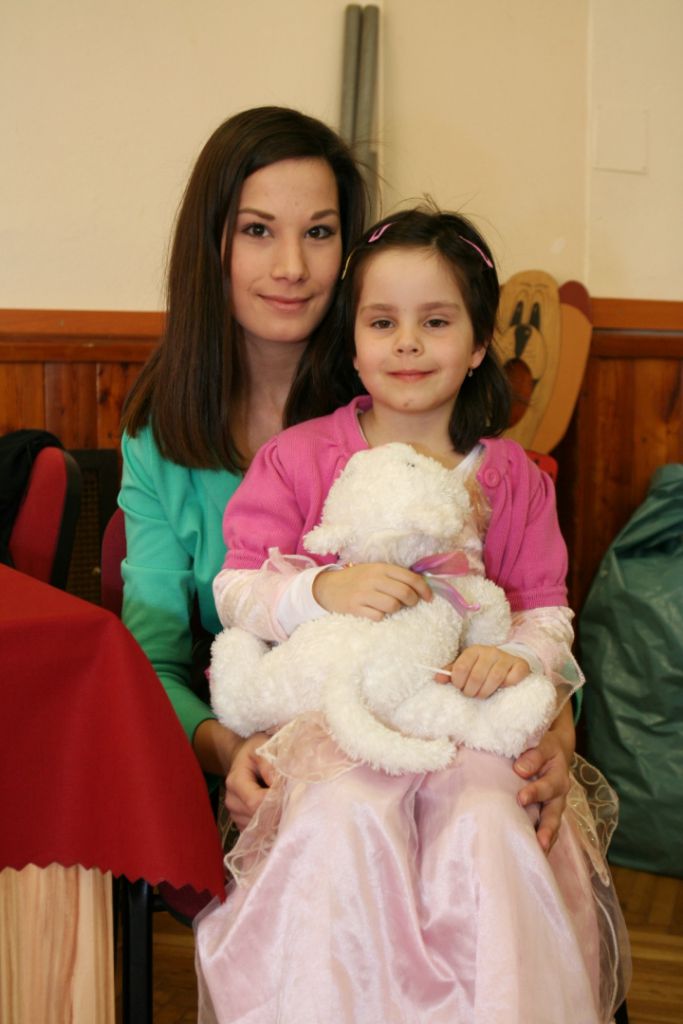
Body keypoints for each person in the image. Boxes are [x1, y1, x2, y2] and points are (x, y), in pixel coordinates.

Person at [195, 208, 630, 1023]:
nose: (406, 344)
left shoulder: (512, 479)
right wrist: (319, 591)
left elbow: (545, 611)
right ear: (352, 343)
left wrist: (518, 659)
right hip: (340, 723)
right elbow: (235, 589)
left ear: (477, 344)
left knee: (488, 821)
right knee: (342, 818)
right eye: (381, 322)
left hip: (463, 720)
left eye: (434, 322)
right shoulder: (296, 459)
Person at [118, 105, 572, 849]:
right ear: (212, 245)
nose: (291, 267)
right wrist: (232, 751)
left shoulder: (410, 399)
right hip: (269, 767)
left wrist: (553, 736)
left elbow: (521, 603)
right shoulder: (160, 439)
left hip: (450, 754)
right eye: (256, 229)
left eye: (319, 232)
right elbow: (152, 663)